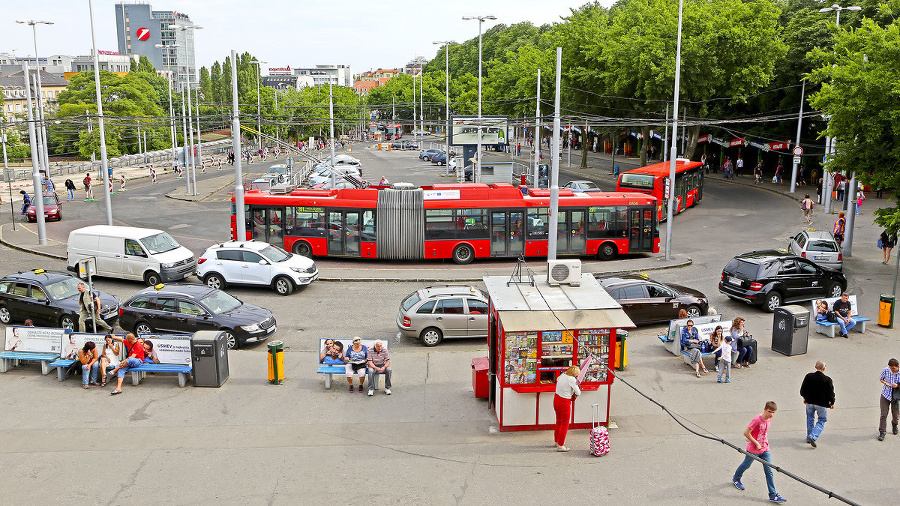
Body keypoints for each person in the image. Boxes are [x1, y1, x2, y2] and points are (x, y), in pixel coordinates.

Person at [732, 401, 785, 503]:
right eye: (769, 411)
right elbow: (746, 433)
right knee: (746, 465)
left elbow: (761, 432)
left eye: (773, 412)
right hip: (753, 449)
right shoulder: (757, 420)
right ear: (764, 409)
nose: (771, 414)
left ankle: (772, 494)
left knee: (769, 471)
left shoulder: (770, 418)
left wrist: (760, 443)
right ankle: (736, 478)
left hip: (765, 449)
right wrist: (756, 443)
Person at [800, 361, 834, 448]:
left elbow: (802, 390)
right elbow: (831, 393)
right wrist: (832, 403)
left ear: (815, 367)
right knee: (822, 420)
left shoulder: (808, 376)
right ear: (824, 369)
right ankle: (813, 435)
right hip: (822, 404)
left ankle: (808, 437)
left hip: (810, 402)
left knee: (810, 418)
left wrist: (805, 398)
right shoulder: (828, 380)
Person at [553, 365, 581, 452]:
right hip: (564, 402)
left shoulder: (562, 375)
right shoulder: (572, 379)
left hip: (556, 399)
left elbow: (558, 380)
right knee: (565, 424)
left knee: (558, 421)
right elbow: (578, 392)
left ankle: (556, 440)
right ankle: (561, 445)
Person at [877, 358, 900, 441]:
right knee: (883, 415)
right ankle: (882, 432)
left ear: (898, 366)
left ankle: (894, 425)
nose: (891, 369)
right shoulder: (886, 370)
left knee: (896, 415)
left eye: (893, 368)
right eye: (890, 368)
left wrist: (897, 385)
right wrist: (885, 383)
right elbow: (881, 379)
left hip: (896, 397)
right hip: (885, 395)